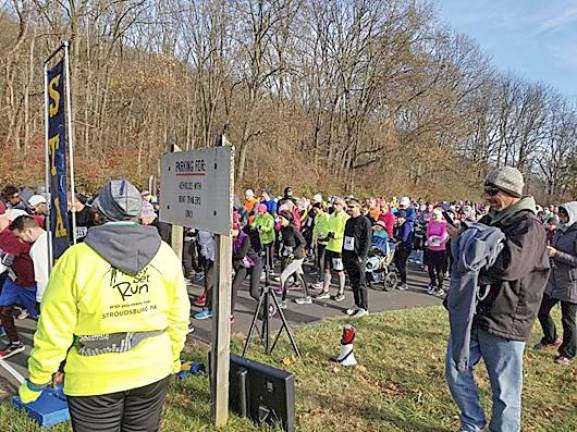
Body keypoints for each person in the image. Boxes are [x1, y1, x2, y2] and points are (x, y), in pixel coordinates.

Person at [17, 179, 190, 432]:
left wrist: (37, 380)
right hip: (153, 369)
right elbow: (178, 316)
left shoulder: (75, 259)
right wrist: (172, 357)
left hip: (94, 378)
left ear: (99, 213)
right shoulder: (165, 254)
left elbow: (54, 330)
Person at [445, 166, 550, 432]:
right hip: (476, 312)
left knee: (505, 392)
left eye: (493, 191)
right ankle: (473, 423)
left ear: (512, 192)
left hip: (507, 319)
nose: (487, 196)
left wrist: (469, 247)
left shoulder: (529, 226)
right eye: (487, 190)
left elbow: (507, 266)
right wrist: (459, 241)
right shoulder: (492, 219)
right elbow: (466, 255)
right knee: (455, 370)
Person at [535, 202, 577, 365]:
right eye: (560, 214)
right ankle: (551, 337)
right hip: (554, 280)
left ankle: (568, 352)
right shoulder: (560, 229)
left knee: (568, 319)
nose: (562, 217)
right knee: (541, 309)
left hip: (570, 282)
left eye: (565, 214)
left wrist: (556, 254)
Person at [0, 209, 38, 359]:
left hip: (29, 282)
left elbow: (5, 262)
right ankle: (15, 343)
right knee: (3, 308)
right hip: (13, 279)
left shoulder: (12, 236)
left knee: (41, 315)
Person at [314, 197, 348, 301]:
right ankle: (325, 290)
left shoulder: (345, 217)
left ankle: (341, 292)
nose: (334, 206)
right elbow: (328, 228)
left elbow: (345, 232)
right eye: (334, 204)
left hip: (338, 247)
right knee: (326, 269)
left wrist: (336, 235)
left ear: (342, 206)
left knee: (339, 270)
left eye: (337, 204)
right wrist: (325, 235)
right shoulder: (332, 215)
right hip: (329, 245)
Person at [342, 200, 372, 318]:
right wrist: (343, 254)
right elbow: (346, 238)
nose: (349, 209)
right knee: (353, 282)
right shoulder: (349, 221)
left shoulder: (365, 221)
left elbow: (367, 240)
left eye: (352, 207)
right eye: (348, 207)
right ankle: (357, 304)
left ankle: (364, 307)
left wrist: (362, 256)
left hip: (358, 256)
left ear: (358, 207)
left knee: (360, 282)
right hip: (348, 255)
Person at [9, 215, 48, 304]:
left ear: (28, 231)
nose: (20, 240)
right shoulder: (52, 237)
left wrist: (40, 299)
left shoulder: (37, 248)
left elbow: (42, 276)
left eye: (20, 236)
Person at [278, 210, 311, 307]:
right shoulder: (283, 228)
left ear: (288, 219)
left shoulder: (293, 229)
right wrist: (282, 249)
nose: (280, 220)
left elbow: (303, 242)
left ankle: (283, 301)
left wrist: (294, 252)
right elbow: (285, 241)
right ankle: (307, 297)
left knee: (283, 277)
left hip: (297, 256)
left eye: (281, 218)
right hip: (288, 255)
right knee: (300, 275)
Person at [230, 223, 263, 320]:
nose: (230, 233)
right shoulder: (232, 239)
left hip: (254, 265)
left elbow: (241, 254)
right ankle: (230, 314)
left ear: (237, 230)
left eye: (232, 231)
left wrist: (230, 255)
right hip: (243, 266)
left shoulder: (245, 238)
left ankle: (266, 303)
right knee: (234, 287)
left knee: (253, 292)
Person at [426, 208, 448, 297]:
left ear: (440, 216)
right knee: (430, 268)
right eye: (433, 215)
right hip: (431, 248)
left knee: (439, 269)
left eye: (436, 216)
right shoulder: (430, 223)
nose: (434, 217)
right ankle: (433, 283)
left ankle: (440, 286)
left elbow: (443, 236)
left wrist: (435, 239)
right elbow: (427, 233)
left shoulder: (443, 224)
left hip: (440, 249)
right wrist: (430, 239)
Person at [311, 202, 330, 289]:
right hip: (319, 241)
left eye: (316, 209)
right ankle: (321, 279)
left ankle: (322, 280)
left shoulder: (326, 216)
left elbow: (329, 228)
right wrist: (314, 239)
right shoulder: (317, 217)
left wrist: (325, 236)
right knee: (319, 261)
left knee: (322, 261)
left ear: (321, 208)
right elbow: (315, 228)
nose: (315, 211)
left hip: (326, 242)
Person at [251, 204, 275, 272]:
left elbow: (269, 228)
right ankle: (263, 265)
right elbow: (254, 223)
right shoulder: (258, 217)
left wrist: (261, 227)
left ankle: (271, 266)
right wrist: (252, 226)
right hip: (261, 238)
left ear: (264, 211)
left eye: (260, 211)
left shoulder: (269, 217)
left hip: (269, 238)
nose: (259, 213)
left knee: (269, 253)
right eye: (258, 211)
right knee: (261, 252)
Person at [393, 209, 413, 291]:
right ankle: (400, 278)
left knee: (401, 264)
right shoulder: (399, 225)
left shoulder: (406, 225)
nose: (396, 218)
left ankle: (404, 282)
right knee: (397, 262)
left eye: (397, 217)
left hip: (405, 247)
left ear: (402, 217)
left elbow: (404, 238)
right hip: (399, 246)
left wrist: (397, 242)